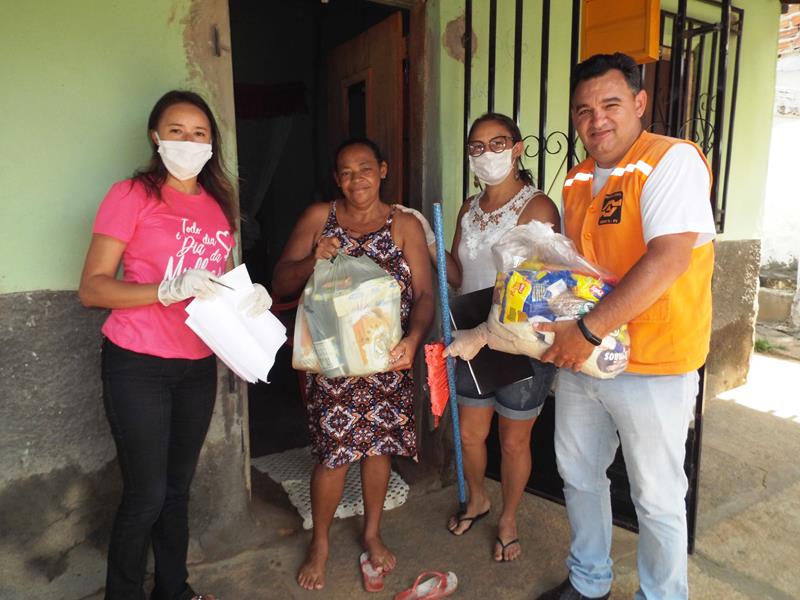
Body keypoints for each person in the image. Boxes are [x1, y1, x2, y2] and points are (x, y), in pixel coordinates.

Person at [534, 53, 717, 600]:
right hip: (589, 359)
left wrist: (584, 332)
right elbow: (580, 270)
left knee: (657, 496)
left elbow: (667, 260)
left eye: (611, 104)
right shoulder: (577, 180)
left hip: (653, 361)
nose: (597, 120)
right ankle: (590, 581)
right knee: (579, 474)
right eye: (584, 110)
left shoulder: (670, 161)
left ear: (639, 103)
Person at [79, 90, 269, 600]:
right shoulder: (131, 195)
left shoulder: (217, 204)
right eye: (177, 131)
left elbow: (216, 282)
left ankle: (173, 591)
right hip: (137, 363)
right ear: (155, 137)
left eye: (200, 133)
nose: (189, 141)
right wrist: (163, 290)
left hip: (196, 364)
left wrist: (248, 296)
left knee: (176, 492)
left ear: (212, 143)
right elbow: (93, 287)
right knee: (145, 495)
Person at [272, 137, 434, 591]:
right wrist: (311, 259)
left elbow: (423, 294)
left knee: (378, 449)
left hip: (387, 362)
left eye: (364, 168)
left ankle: (371, 532)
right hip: (332, 366)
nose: (355, 179)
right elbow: (281, 280)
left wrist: (414, 340)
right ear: (335, 178)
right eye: (345, 171)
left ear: (383, 170)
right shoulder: (317, 218)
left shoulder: (402, 225)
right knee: (333, 455)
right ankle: (320, 543)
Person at [404, 113, 560, 562]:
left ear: (517, 149)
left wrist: (491, 330)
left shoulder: (538, 208)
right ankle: (478, 498)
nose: (486, 154)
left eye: (497, 144)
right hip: (469, 329)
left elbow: (540, 285)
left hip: (519, 340)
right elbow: (454, 275)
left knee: (513, 440)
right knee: (471, 436)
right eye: (477, 146)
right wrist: (432, 244)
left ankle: (508, 518)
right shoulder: (468, 209)